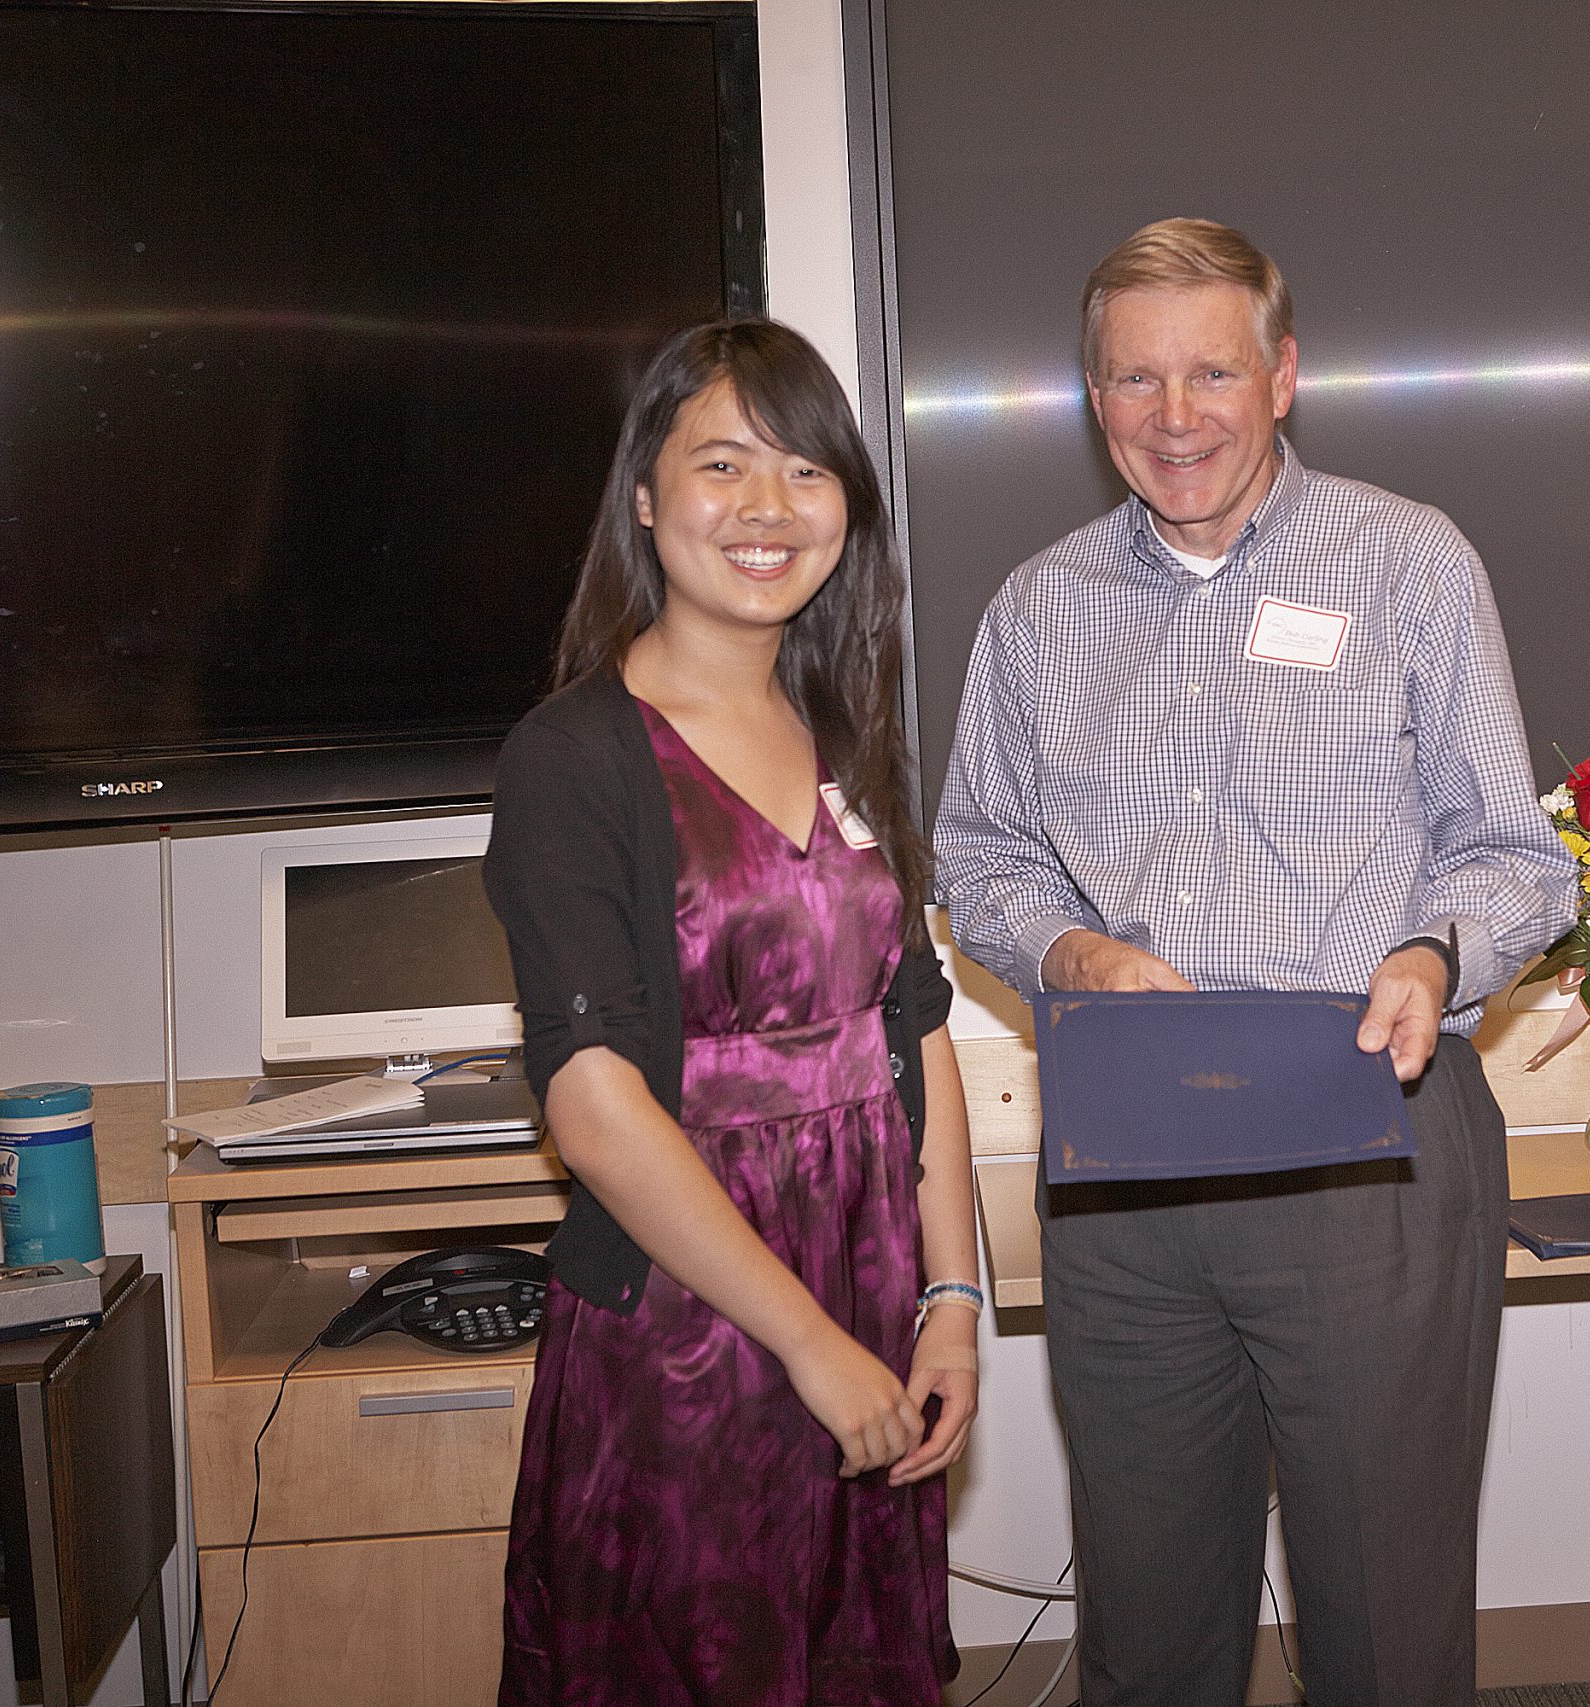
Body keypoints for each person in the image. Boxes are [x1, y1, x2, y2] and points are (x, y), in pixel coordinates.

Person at [934, 219, 1579, 1707]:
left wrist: (1433, 948)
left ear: (1282, 376)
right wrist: (1068, 946)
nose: (1176, 418)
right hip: (1133, 1169)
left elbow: (1515, 857)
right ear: (1094, 400)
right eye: (1136, 381)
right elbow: (980, 858)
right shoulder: (1037, 611)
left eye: (1212, 371)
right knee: (1151, 1633)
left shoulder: (1411, 561)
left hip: (1372, 1142)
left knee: (1385, 1624)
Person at [483, 321, 978, 1707]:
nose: (770, 509)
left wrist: (948, 1301)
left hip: (872, 1282)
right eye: (723, 465)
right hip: (687, 1317)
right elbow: (591, 1106)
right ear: (646, 496)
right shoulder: (574, 755)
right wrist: (810, 1345)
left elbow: (911, 1023)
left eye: (807, 471)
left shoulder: (847, 726)